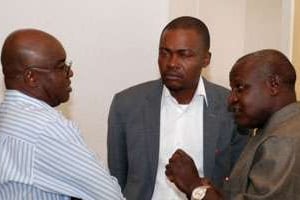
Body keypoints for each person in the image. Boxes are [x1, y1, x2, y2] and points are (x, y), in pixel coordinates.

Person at [107, 16, 248, 200]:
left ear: (206, 59)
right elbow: (117, 179)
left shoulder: (231, 106)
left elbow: (238, 183)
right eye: (165, 53)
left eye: (184, 54)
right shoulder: (126, 104)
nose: (172, 63)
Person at [0, 29, 124, 200]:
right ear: (31, 77)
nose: (70, 73)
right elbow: (109, 196)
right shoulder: (47, 127)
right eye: (61, 67)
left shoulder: (6, 117)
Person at [165, 49, 300, 200]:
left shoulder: (282, 141)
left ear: (273, 85)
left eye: (240, 88)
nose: (231, 99)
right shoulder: (275, 129)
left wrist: (194, 187)